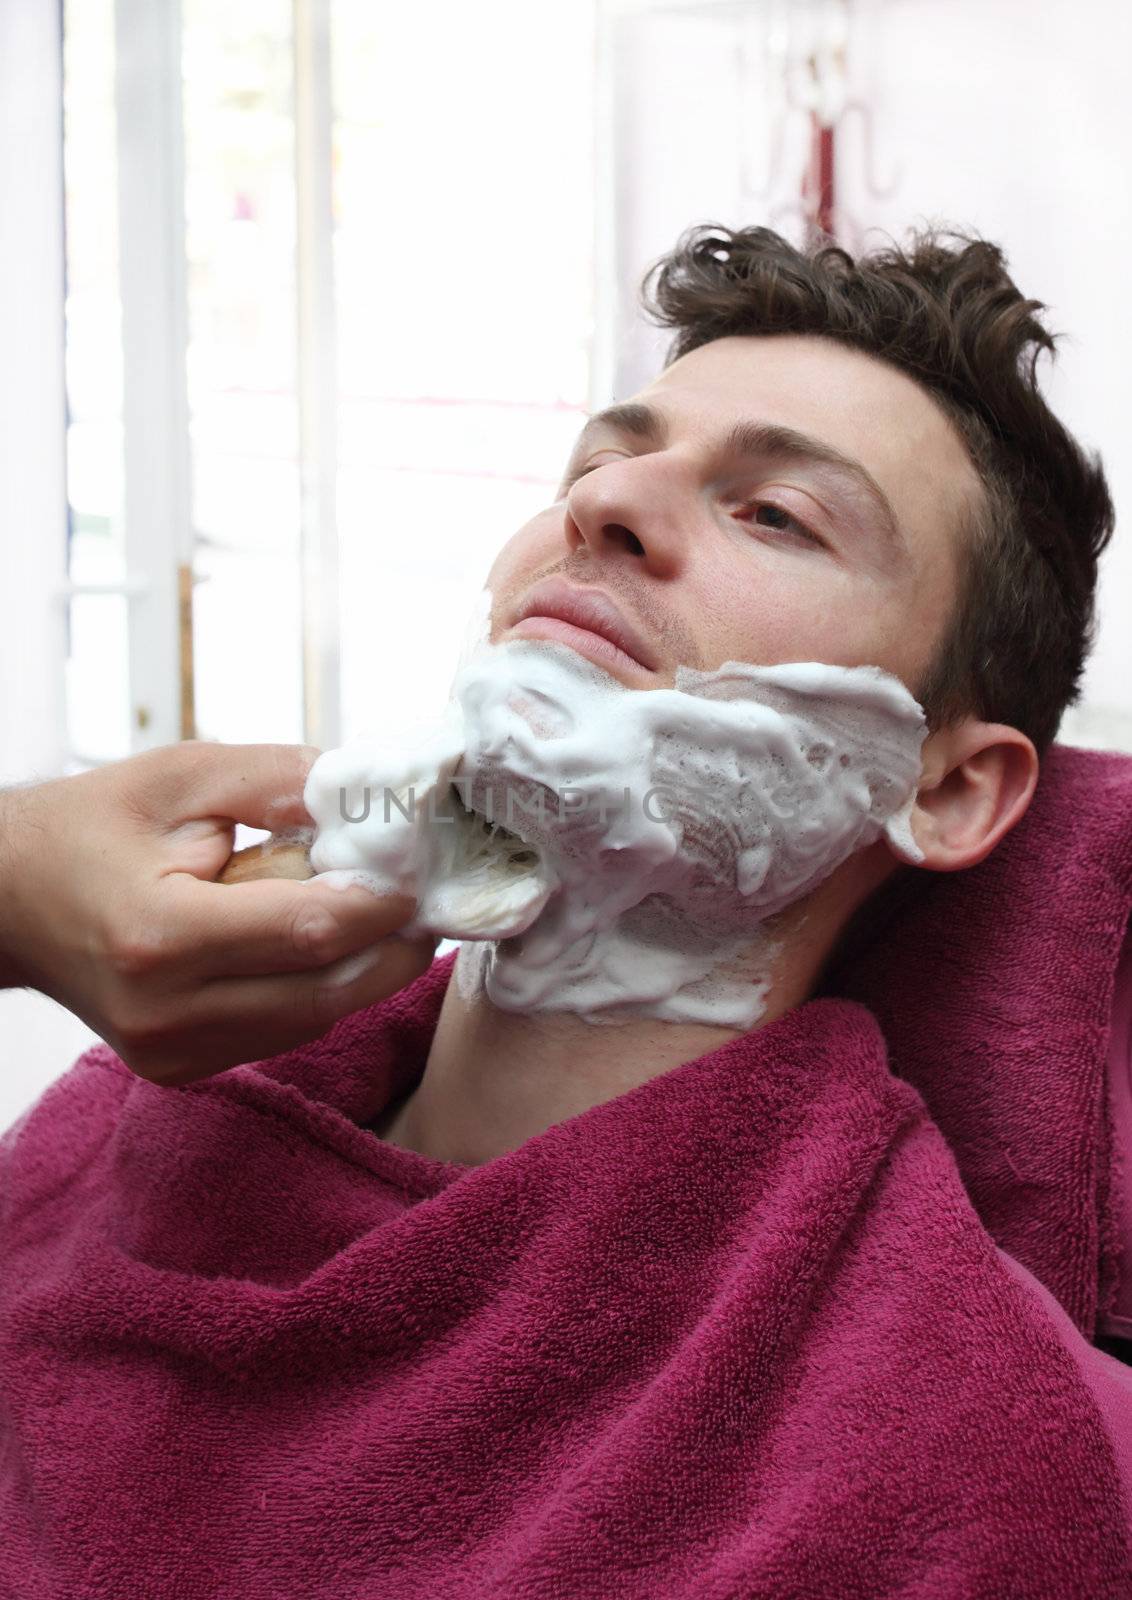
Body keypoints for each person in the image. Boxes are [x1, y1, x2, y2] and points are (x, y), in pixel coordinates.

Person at [2, 225, 1130, 1597]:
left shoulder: (975, 1456)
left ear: (947, 792)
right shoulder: (126, 1129)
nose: (599, 512)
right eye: (599, 464)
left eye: (773, 513)